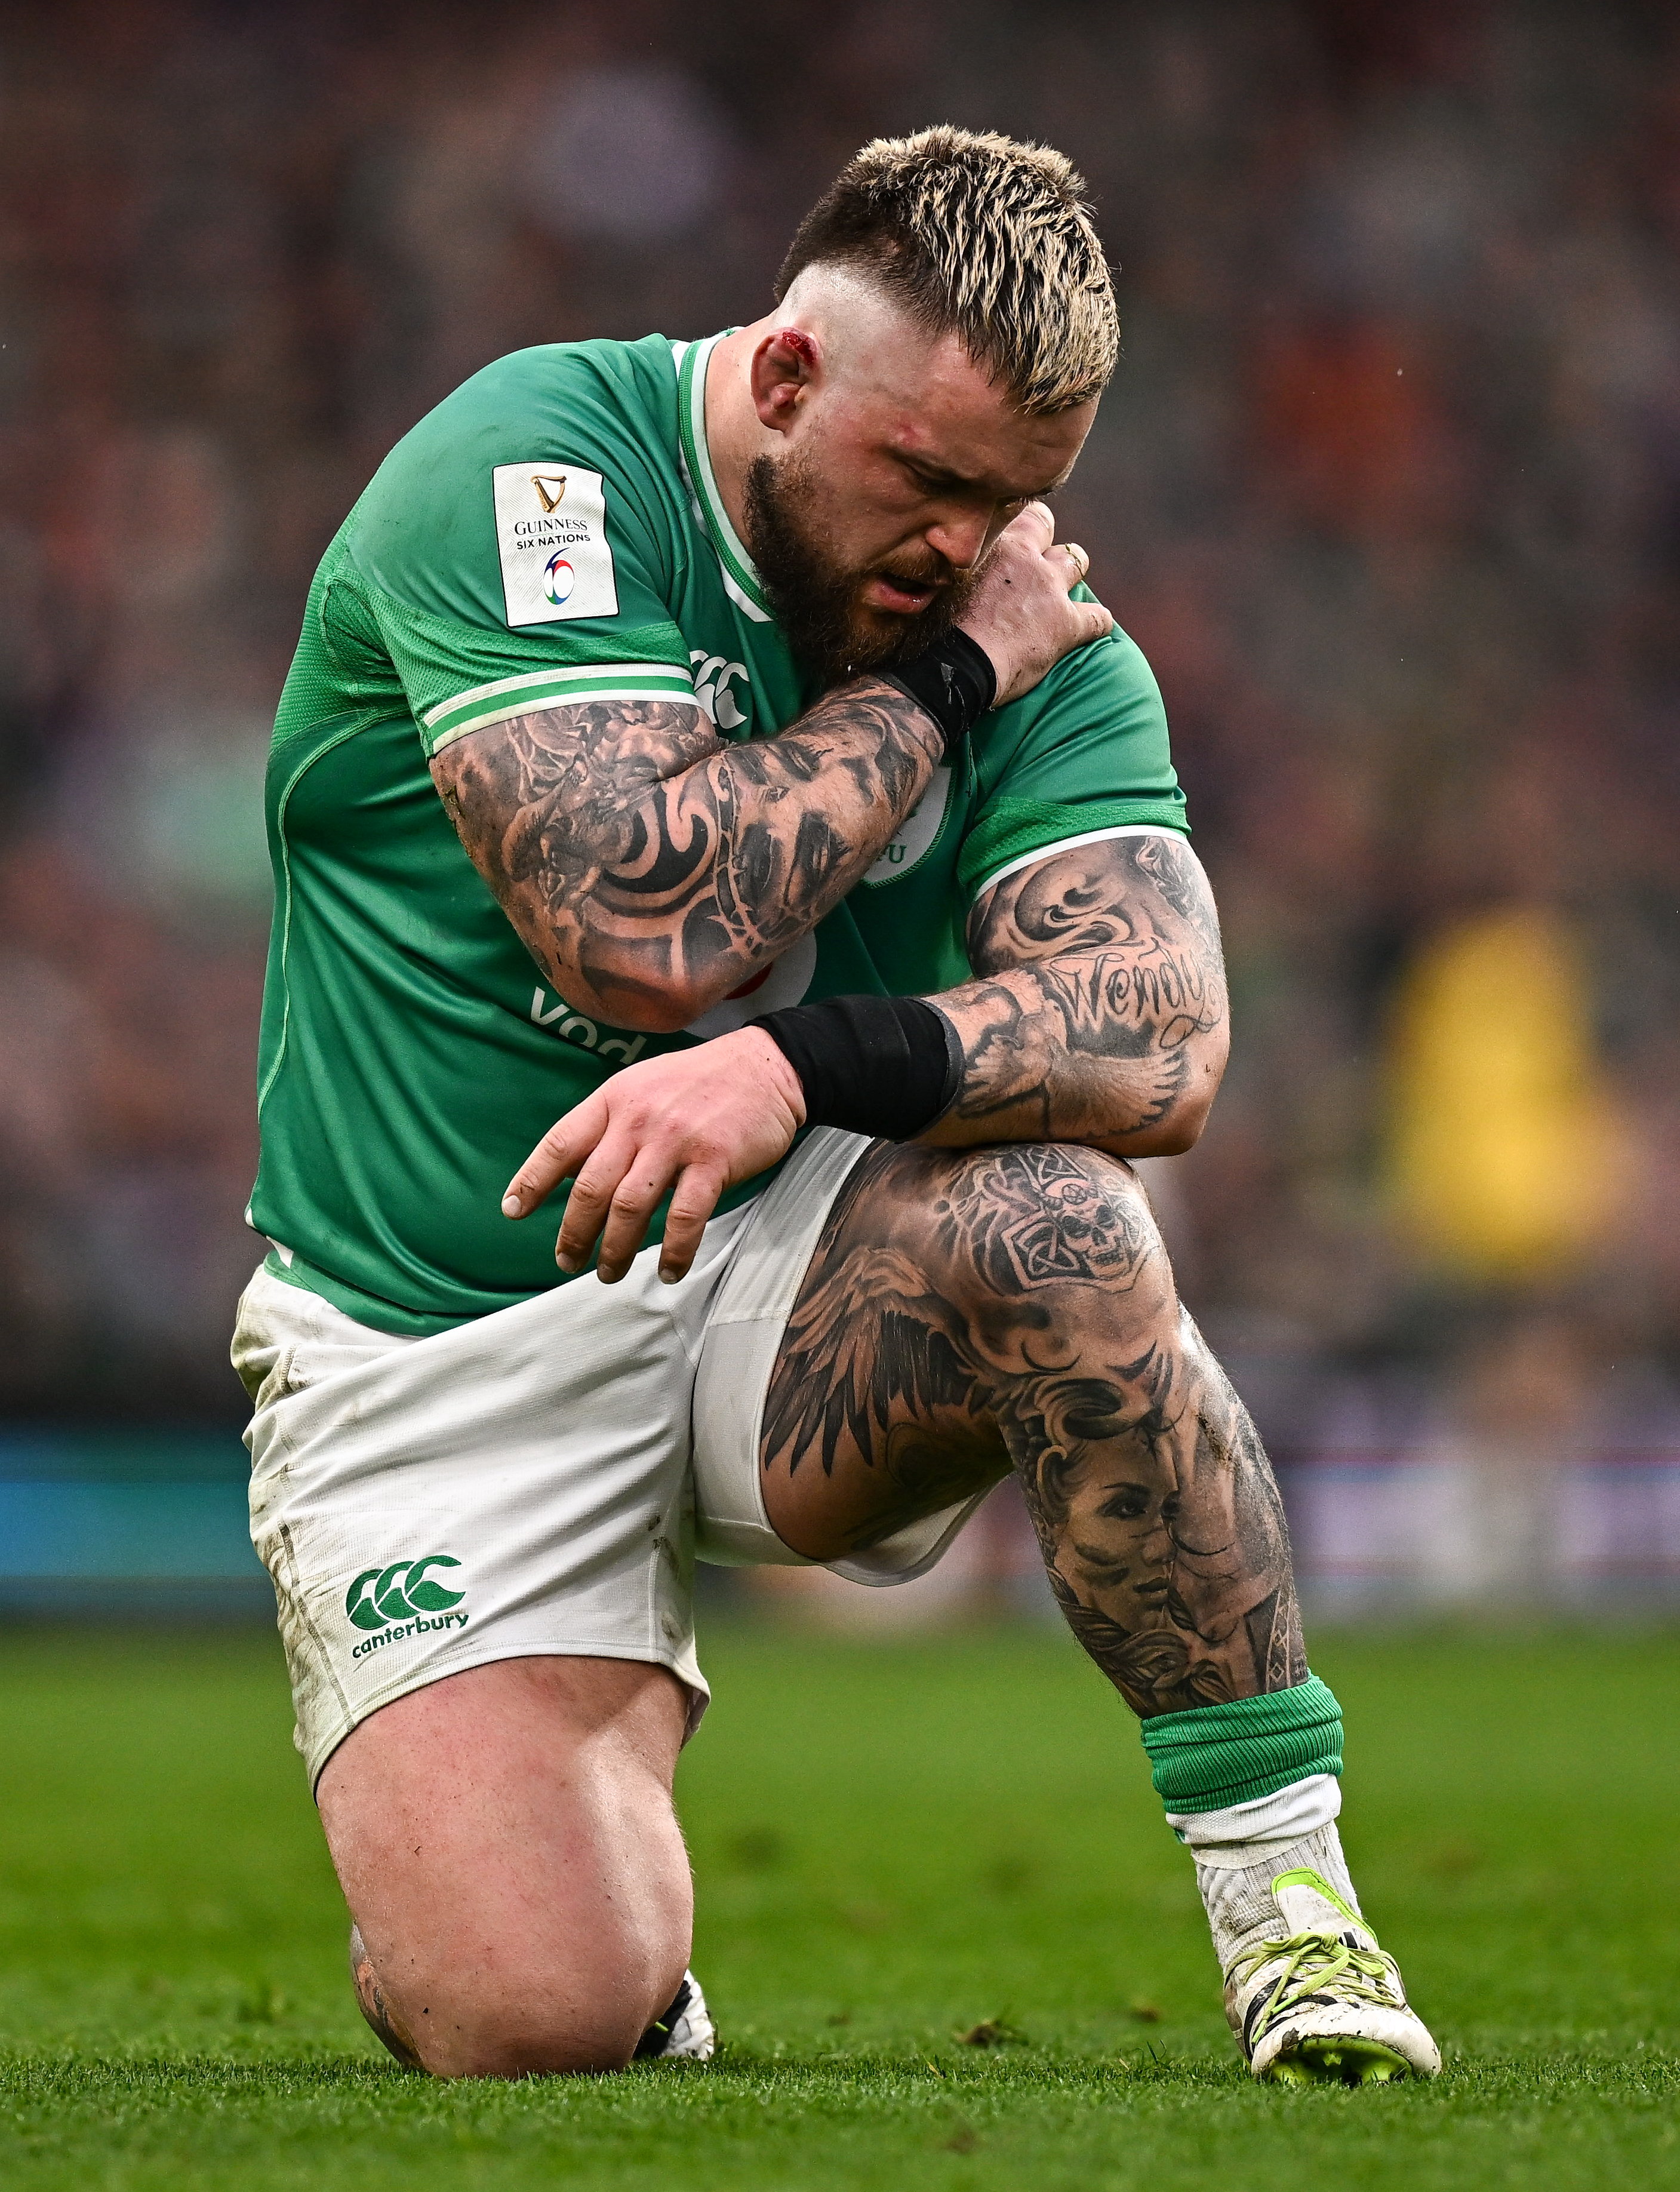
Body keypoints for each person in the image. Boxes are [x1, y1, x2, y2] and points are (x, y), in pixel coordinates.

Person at [233, 126, 1439, 2086]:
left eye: (1019, 505)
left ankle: (1289, 1905)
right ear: (787, 379)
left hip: (791, 1276)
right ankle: (579, 1894)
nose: (971, 550)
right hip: (437, 1321)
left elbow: (1164, 1040)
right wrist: (952, 687)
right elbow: (640, 926)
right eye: (933, 482)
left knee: (1064, 1216)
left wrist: (807, 1063)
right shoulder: (537, 475)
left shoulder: (1028, 617)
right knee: (532, 2017)